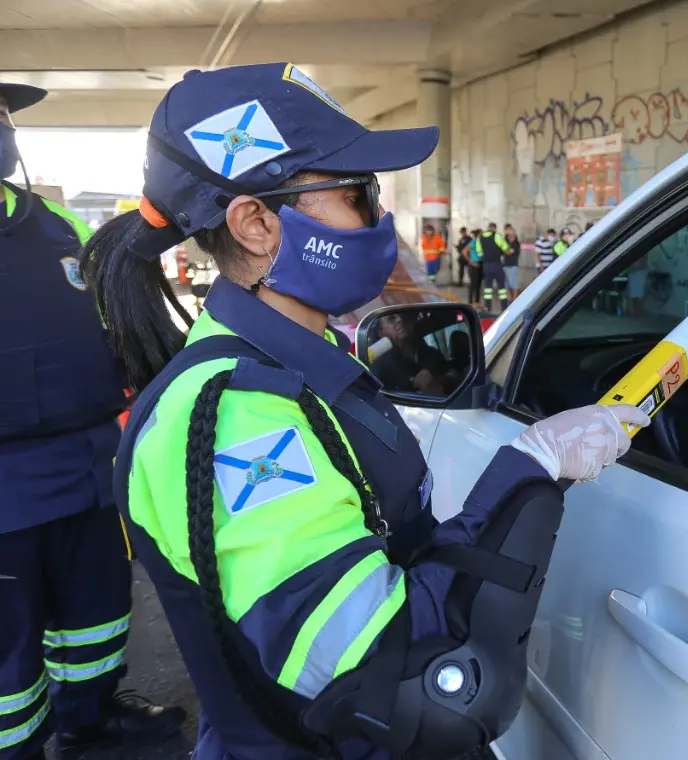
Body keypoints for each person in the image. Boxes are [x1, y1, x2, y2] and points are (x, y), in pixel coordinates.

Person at [78, 62, 648, 760]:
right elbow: (408, 686)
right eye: (357, 193)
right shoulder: (230, 419)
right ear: (257, 224)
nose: (379, 218)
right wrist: (528, 471)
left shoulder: (299, 364)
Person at [0, 82, 185, 760]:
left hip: (88, 466)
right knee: (8, 644)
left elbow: (114, 319)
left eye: (1, 114)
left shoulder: (58, 226)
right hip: (4, 489)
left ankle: (91, 715)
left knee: (99, 610)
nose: (1, 128)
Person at [476, 222, 511, 312]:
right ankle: (503, 307)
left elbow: (479, 253)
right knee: (501, 287)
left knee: (488, 287)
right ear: (494, 228)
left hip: (486, 265)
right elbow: (505, 248)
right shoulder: (497, 236)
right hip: (497, 264)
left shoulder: (480, 237)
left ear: (488, 228)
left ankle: (488, 307)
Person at [502, 223, 521, 300]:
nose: (508, 233)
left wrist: (502, 250)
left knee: (514, 284)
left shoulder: (516, 243)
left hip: (512, 266)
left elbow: (509, 252)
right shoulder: (505, 241)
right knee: (506, 285)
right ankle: (509, 300)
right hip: (505, 265)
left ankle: (515, 299)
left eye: (510, 231)